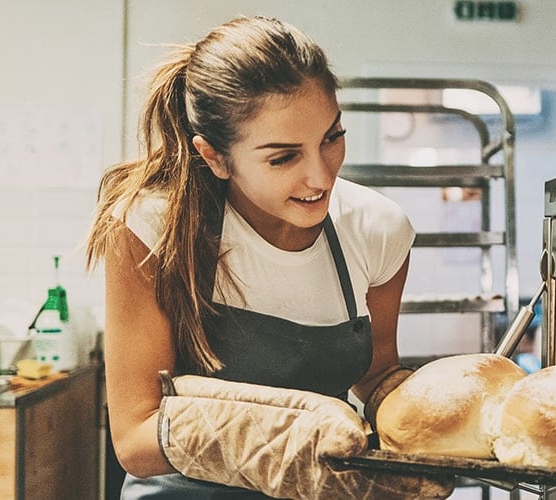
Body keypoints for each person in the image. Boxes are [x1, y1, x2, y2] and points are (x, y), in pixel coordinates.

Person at [84, 16, 453, 499]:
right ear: (214, 156)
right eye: (283, 157)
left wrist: (443, 419)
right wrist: (285, 442)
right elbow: (135, 436)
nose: (321, 177)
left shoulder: (377, 229)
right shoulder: (152, 229)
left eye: (331, 137)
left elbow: (376, 372)